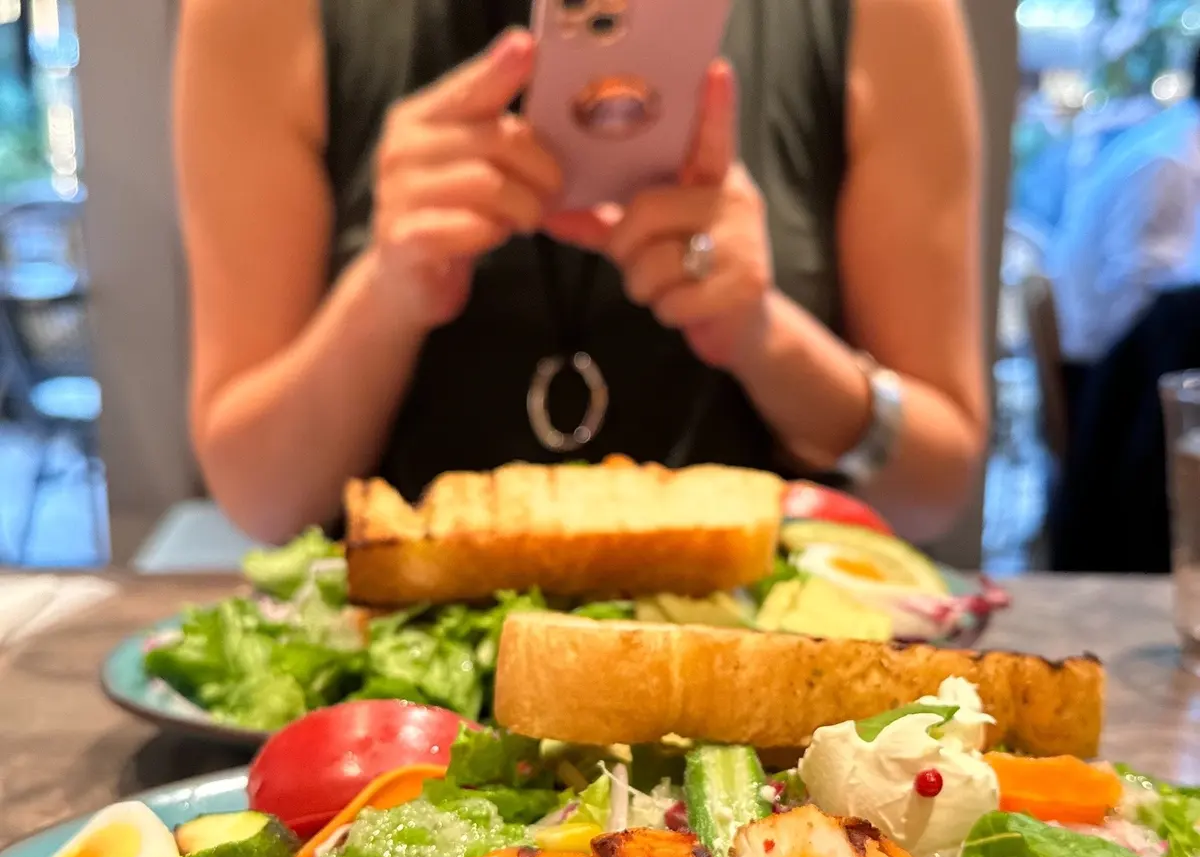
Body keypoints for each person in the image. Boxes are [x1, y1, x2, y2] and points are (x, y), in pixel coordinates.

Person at [176, 0, 986, 548]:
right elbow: (262, 495)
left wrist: (765, 338)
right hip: (404, 702)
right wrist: (384, 295)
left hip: (753, 683)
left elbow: (935, 480)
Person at [1049, 56, 1200, 373]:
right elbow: (1140, 302)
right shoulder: (1172, 160)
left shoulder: (1178, 135)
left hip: (1126, 360)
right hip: (1105, 377)